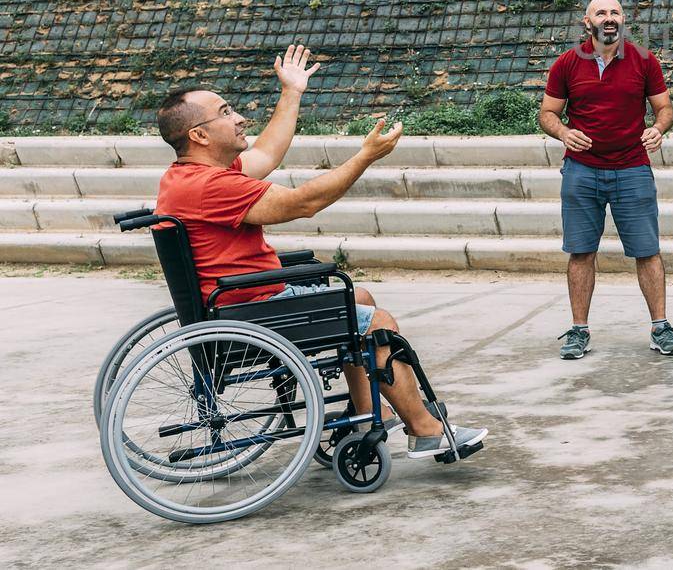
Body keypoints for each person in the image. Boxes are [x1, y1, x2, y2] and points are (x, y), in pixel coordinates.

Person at [153, 45, 487, 460]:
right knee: (376, 322)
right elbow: (302, 204)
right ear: (199, 135)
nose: (238, 118)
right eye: (225, 112)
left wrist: (292, 91)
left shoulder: (188, 178)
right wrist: (364, 157)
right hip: (254, 310)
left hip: (237, 304)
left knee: (358, 299)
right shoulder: (212, 187)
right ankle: (425, 429)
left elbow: (268, 153)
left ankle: (367, 416)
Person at [540, 0, 673, 360]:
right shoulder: (567, 64)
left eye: (615, 12)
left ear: (622, 20)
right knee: (581, 251)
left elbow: (664, 107)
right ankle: (578, 331)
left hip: (632, 167)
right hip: (582, 170)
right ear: (587, 22)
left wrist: (658, 128)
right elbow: (548, 113)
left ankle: (661, 327)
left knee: (647, 251)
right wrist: (563, 132)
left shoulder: (644, 60)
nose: (609, 18)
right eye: (601, 12)